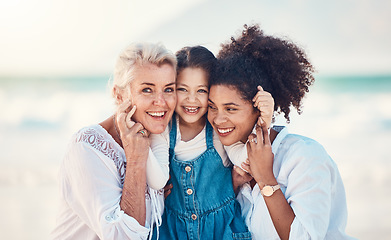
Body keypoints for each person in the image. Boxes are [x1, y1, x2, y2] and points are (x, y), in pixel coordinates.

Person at [207, 24, 355, 240]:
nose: (218, 119)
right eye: (212, 106)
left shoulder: (304, 157)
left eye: (231, 109)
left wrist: (267, 180)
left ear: (259, 107)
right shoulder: (227, 158)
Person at [51, 42, 176, 240]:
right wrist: (136, 160)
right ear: (119, 96)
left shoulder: (159, 144)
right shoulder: (86, 148)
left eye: (169, 89)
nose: (161, 101)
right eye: (147, 90)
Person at [152, 46, 274, 239]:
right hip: (174, 232)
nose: (191, 100)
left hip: (222, 230)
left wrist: (263, 122)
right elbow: (155, 177)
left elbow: (244, 159)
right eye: (182, 89)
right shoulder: (164, 130)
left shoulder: (218, 131)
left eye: (201, 90)